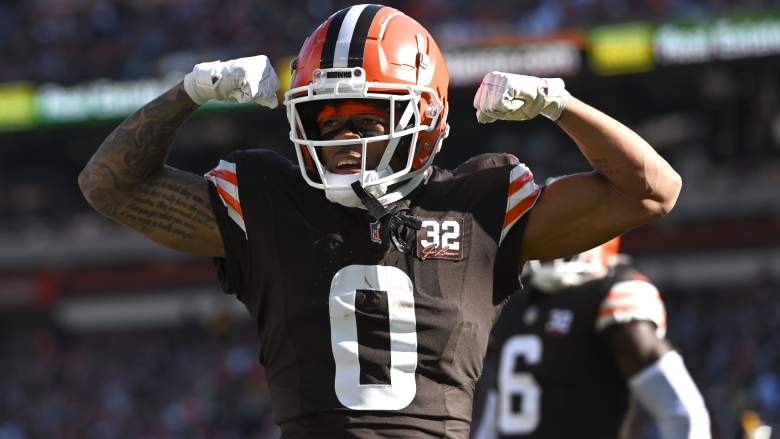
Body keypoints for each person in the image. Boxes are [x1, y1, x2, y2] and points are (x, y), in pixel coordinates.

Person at [77, 4, 682, 438]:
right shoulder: (269, 200)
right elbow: (108, 186)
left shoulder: (479, 204)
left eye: (368, 118)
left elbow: (653, 191)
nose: (346, 139)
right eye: (328, 121)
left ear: (427, 116)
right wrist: (189, 91)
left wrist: (561, 104)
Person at [470, 239, 711, 439]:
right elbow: (495, 417)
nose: (554, 238)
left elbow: (682, 413)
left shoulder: (611, 296)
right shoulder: (513, 304)